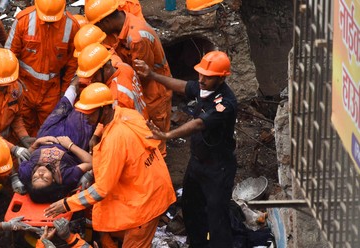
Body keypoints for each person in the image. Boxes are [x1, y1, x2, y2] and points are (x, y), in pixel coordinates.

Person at [44, 83, 175, 247]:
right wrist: (97, 134)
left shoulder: (115, 141)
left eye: (90, 113)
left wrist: (66, 204)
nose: (86, 118)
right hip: (150, 185)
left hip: (145, 205)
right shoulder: (126, 114)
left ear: (104, 109)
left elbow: (102, 189)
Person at [135, 51, 237, 248]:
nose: (201, 80)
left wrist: (167, 135)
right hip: (197, 163)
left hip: (218, 169)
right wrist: (152, 75)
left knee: (217, 217)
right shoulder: (203, 87)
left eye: (207, 77)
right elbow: (183, 86)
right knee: (191, 208)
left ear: (221, 78)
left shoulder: (226, 103)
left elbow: (199, 124)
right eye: (200, 74)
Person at [85, 0, 172, 156]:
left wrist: (125, 82)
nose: (100, 30)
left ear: (106, 21)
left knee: (156, 132)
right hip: (144, 82)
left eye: (99, 26)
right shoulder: (124, 25)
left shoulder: (136, 37)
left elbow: (144, 74)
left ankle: (160, 162)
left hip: (155, 87)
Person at [5, 0, 80, 137]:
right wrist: (12, 88)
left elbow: (72, 64)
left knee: (48, 133)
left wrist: (64, 93)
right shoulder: (23, 20)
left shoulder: (72, 26)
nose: (49, 23)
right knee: (21, 132)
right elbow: (9, 56)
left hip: (51, 92)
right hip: (24, 88)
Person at [14, 78, 94, 203]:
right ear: (53, 182)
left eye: (35, 179)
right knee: (82, 109)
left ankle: (76, 81)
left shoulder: (26, 173)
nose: (40, 174)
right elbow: (90, 162)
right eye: (44, 179)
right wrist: (70, 145)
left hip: (47, 135)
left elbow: (26, 156)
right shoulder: (65, 177)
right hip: (73, 138)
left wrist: (36, 144)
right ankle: (95, 86)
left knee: (62, 105)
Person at [76, 43, 148, 120]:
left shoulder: (116, 97)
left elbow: (120, 124)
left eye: (94, 75)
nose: (91, 80)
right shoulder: (124, 66)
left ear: (106, 67)